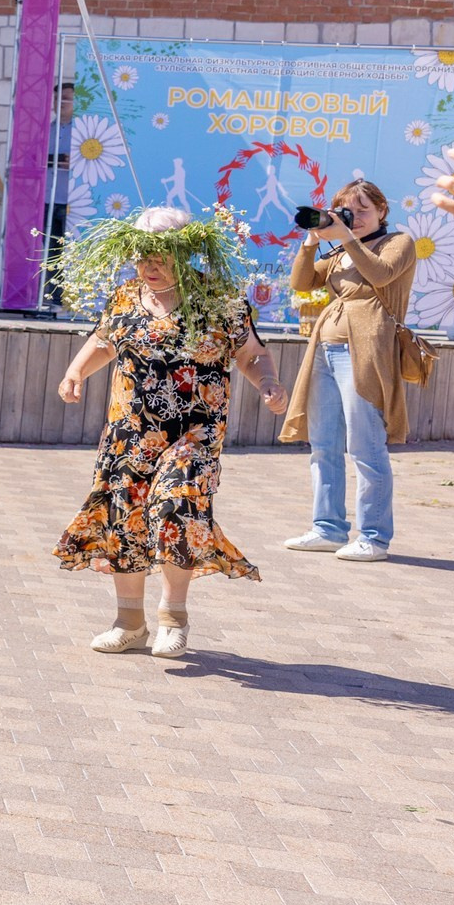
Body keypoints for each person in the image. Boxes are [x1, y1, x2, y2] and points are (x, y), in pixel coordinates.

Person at [53, 206, 284, 657]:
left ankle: (172, 618)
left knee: (179, 505)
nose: (149, 267)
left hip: (194, 432)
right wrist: (76, 372)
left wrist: (269, 383)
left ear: (186, 252)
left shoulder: (218, 299)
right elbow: (103, 342)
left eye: (159, 257)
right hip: (129, 432)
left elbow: (252, 354)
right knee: (124, 517)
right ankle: (129, 622)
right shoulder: (125, 297)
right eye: (141, 257)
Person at [277, 178, 416, 562]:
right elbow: (302, 283)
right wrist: (312, 239)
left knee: (365, 447)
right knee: (323, 444)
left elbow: (381, 275)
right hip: (324, 349)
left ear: (382, 212)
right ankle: (328, 528)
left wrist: (346, 238)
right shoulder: (338, 250)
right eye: (348, 211)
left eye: (363, 211)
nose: (354, 219)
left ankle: (374, 537)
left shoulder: (397, 243)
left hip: (365, 351)